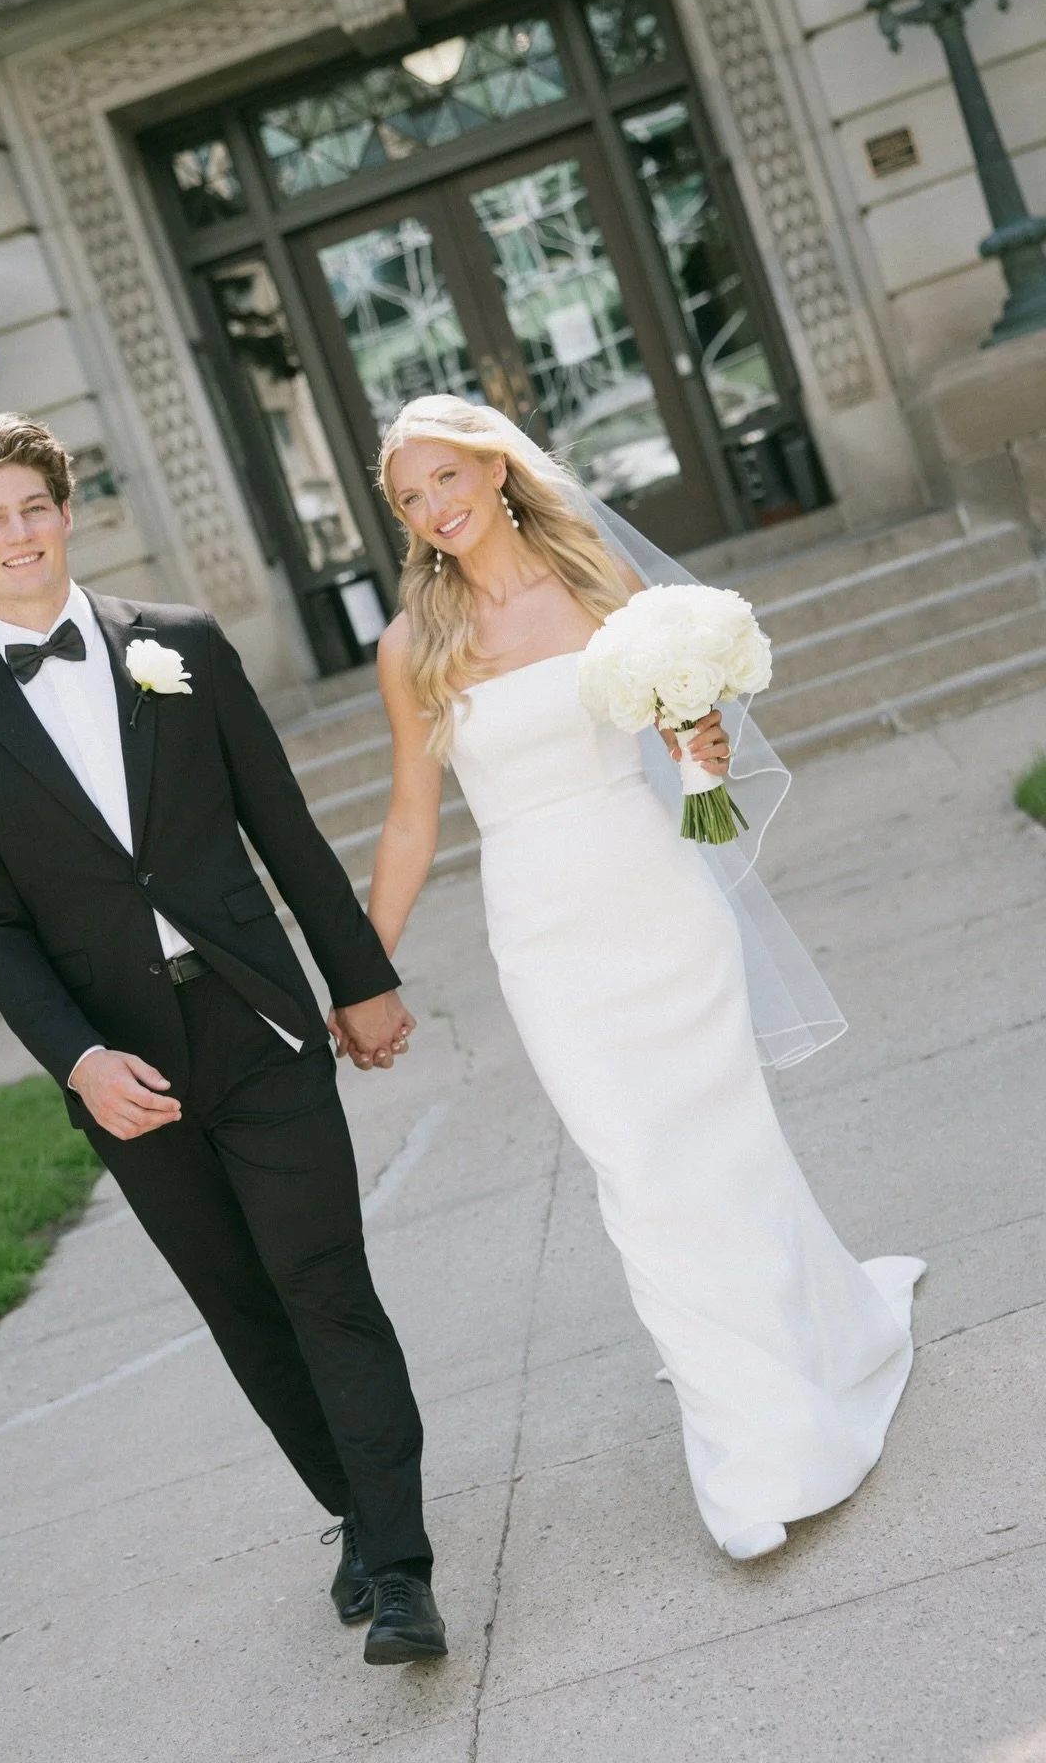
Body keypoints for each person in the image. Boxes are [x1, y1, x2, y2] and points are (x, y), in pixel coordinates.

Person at [0, 411, 446, 1662]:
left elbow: (283, 826)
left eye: (34, 506)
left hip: (257, 1023)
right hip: (127, 1073)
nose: (18, 533)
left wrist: (359, 978)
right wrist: (80, 1064)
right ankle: (355, 1518)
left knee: (325, 1285)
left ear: (67, 511)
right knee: (244, 1307)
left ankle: (405, 1565)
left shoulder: (183, 648)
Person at [365, 393, 924, 1562]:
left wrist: (702, 742)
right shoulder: (415, 644)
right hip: (545, 931)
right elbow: (414, 822)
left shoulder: (594, 580)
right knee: (641, 1176)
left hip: (658, 899)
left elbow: (683, 729)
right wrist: (364, 966)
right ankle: (749, 1452)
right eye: (412, 499)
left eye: (446, 481)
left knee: (727, 1148)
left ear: (496, 470)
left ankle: (794, 1389)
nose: (436, 510)